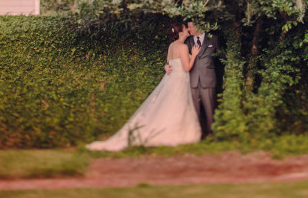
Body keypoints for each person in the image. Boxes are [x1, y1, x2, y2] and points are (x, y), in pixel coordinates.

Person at [86, 23, 201, 151]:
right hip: (179, 80)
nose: (187, 30)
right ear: (180, 32)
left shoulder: (171, 46)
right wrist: (194, 54)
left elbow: (168, 62)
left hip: (171, 80)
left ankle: (169, 131)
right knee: (177, 105)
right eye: (185, 28)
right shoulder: (183, 47)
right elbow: (187, 67)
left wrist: (166, 67)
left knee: (168, 105)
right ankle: (176, 133)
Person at [167, 21, 221, 137]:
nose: (189, 29)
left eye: (191, 26)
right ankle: (196, 134)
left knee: (210, 110)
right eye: (188, 27)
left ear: (199, 25)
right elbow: (175, 57)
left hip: (208, 80)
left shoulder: (213, 38)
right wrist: (166, 65)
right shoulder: (186, 42)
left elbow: (221, 58)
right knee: (193, 111)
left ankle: (213, 135)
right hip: (191, 81)